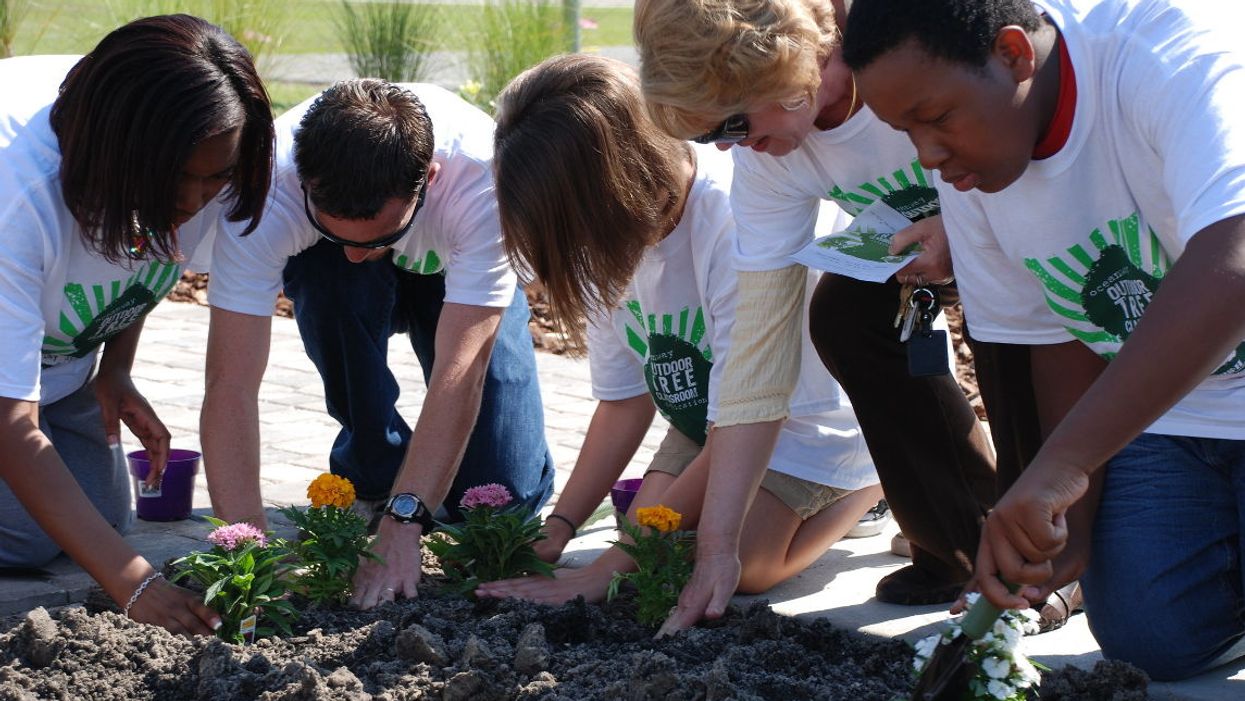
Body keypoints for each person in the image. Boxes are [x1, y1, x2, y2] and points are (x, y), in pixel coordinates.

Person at [844, 0, 1245, 681]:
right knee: (1148, 639)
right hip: (1171, 420)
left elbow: (1233, 258)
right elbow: (1061, 334)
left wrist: (1060, 466)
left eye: (936, 117)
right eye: (904, 131)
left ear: (1012, 54)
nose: (928, 156)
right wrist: (1070, 516)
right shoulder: (975, 170)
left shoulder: (1166, 57)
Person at [633, 0, 1028, 633]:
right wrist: (717, 550)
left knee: (1009, 338)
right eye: (712, 137)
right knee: (846, 314)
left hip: (1030, 221)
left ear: (785, 63)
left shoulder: (906, 51)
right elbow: (757, 361)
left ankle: (1054, 548)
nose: (733, 146)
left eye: (733, 121)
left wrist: (966, 225)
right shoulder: (765, 158)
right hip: (920, 248)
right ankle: (959, 543)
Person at [473, 54, 882, 606]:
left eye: (573, 232)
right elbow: (624, 404)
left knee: (745, 564)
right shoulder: (603, 246)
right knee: (653, 543)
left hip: (804, 419)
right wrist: (561, 527)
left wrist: (603, 573)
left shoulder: (731, 222)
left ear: (619, 186)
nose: (576, 255)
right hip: (705, 422)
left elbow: (749, 411)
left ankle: (872, 480)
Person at [201, 79, 556, 609]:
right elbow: (229, 383)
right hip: (335, 284)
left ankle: (405, 489)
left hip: (452, 274)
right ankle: (374, 465)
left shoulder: (485, 182)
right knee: (332, 278)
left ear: (430, 178)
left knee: (498, 499)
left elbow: (461, 372)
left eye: (380, 237)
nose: (357, 253)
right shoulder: (264, 193)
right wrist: (248, 551)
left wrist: (407, 520)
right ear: (303, 181)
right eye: (337, 232)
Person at [0, 15, 275, 634]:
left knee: (99, 523)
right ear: (119, 154)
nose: (197, 200)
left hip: (48, 367)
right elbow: (8, 422)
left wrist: (115, 368)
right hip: (9, 389)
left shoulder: (206, 156)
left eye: (217, 176)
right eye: (181, 178)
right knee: (27, 542)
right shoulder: (17, 199)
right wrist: (136, 584)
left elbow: (135, 264)